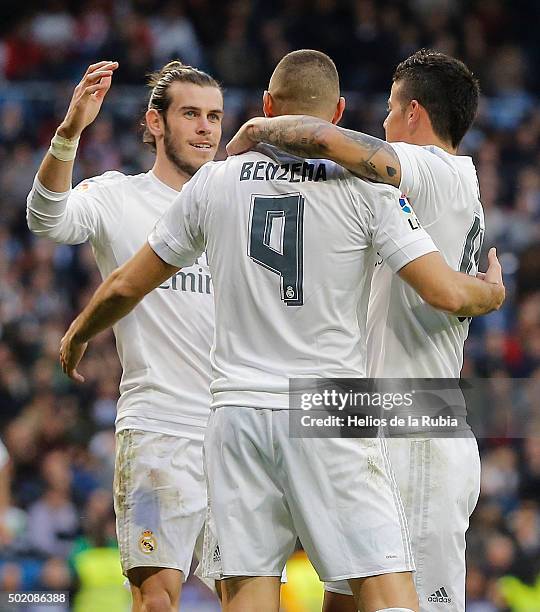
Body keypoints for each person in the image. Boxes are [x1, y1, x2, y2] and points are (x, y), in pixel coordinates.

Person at [58, 50, 504, 612]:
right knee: (387, 591)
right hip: (332, 411)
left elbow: (125, 285)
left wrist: (79, 331)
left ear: (268, 106)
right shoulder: (370, 189)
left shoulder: (213, 184)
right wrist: (494, 290)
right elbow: (444, 289)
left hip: (237, 416)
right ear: (338, 113)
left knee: (247, 592)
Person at [227, 48, 486, 612]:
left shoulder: (435, 172)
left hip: (419, 426)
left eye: (392, 109)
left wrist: (263, 126)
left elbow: (332, 143)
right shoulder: (436, 191)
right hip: (372, 418)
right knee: (345, 602)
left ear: (414, 112)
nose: (383, 123)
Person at [26, 59, 224, 612]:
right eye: (190, 114)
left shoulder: (239, 205)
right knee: (156, 598)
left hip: (236, 432)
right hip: (160, 431)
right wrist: (69, 134)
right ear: (155, 123)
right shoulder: (120, 196)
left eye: (214, 116)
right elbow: (47, 218)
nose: (206, 128)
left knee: (247, 592)